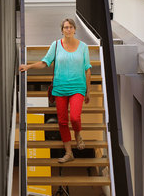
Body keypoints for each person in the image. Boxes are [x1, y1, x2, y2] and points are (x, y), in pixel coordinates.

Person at [19, 18, 92, 163]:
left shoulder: (83, 47)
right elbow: (45, 62)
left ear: (75, 30)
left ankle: (78, 134)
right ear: (62, 30)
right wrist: (28, 67)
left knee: (75, 118)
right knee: (63, 122)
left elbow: (88, 70)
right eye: (66, 27)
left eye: (71, 27)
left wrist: (88, 91)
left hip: (78, 88)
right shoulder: (56, 45)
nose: (68, 29)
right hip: (60, 88)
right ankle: (69, 152)